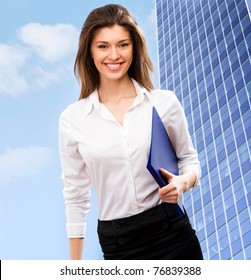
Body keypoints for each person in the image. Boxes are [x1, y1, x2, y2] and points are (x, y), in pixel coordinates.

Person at [59, 4, 203, 260]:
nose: (113, 55)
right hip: (119, 243)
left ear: (134, 48)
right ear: (90, 52)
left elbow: (190, 160)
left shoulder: (164, 102)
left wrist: (183, 182)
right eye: (103, 46)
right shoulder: (73, 119)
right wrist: (74, 265)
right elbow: (75, 194)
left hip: (172, 232)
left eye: (122, 44)